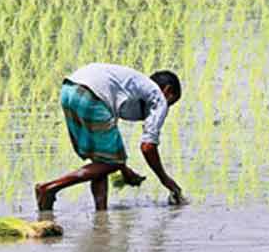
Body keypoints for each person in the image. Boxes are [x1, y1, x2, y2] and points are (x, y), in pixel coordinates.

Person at [35, 63, 183, 212]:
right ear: (167, 90)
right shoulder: (158, 96)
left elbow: (108, 142)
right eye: (171, 102)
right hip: (91, 96)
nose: (166, 108)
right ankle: (50, 188)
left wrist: (123, 169)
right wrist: (166, 180)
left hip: (69, 90)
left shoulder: (132, 86)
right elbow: (148, 147)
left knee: (101, 161)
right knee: (110, 162)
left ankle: (101, 216)